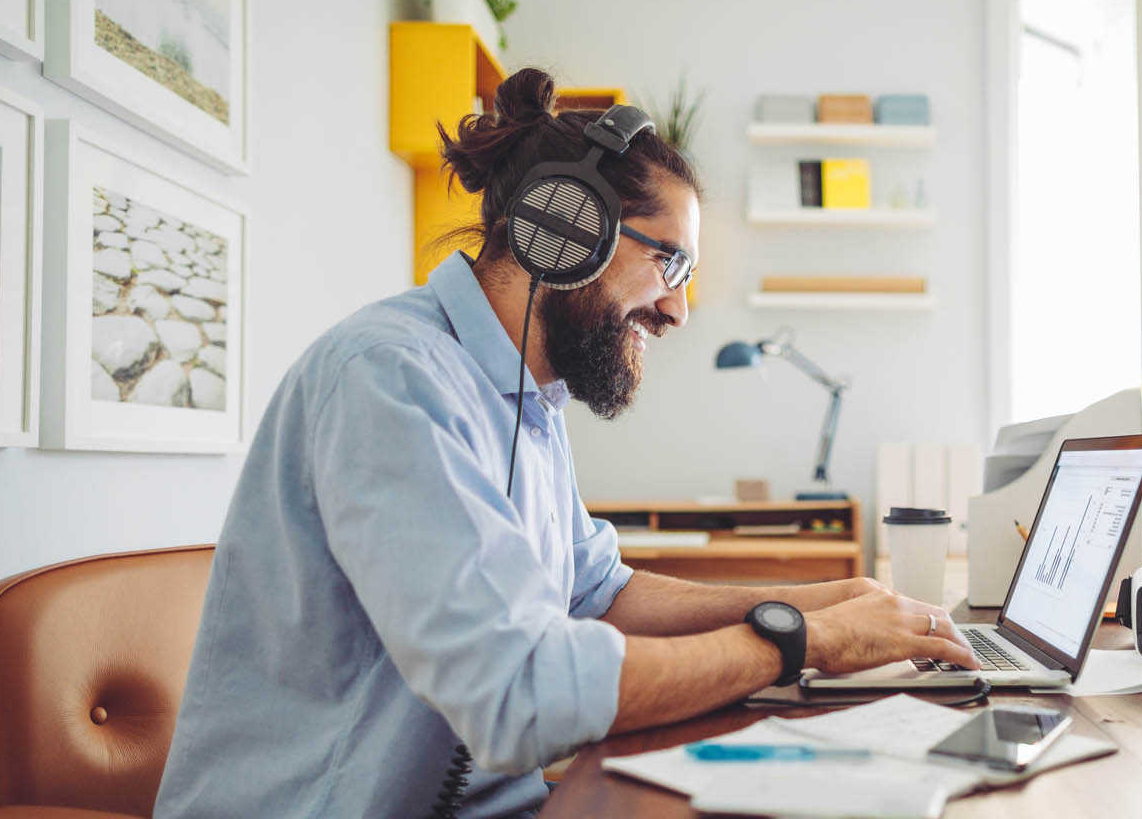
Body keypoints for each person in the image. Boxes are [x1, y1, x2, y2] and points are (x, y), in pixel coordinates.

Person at [153, 68, 977, 819]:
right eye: (672, 266)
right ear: (566, 229)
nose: (679, 312)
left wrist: (821, 600)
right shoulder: (392, 380)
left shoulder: (528, 396)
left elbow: (595, 591)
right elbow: (520, 696)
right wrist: (798, 644)